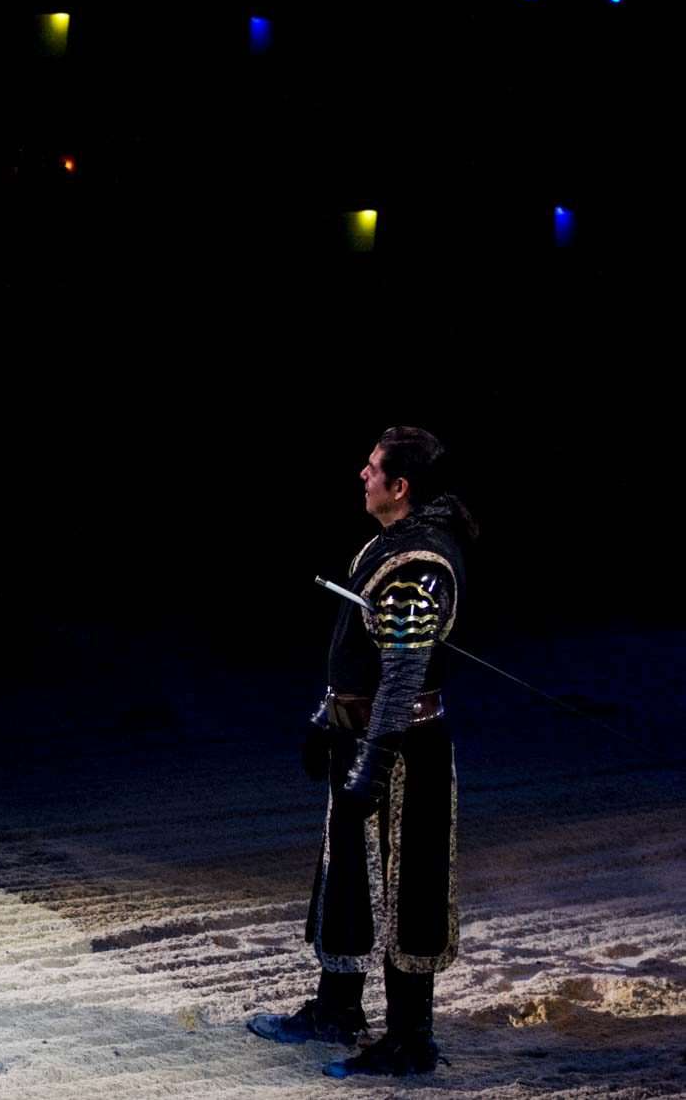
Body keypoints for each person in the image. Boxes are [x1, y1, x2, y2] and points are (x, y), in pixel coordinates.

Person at [247, 426, 478, 1078]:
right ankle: (337, 1009)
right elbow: (360, 656)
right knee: (346, 873)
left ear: (400, 487)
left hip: (403, 751)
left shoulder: (421, 560)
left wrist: (373, 766)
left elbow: (404, 676)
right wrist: (327, 719)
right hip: (363, 737)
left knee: (410, 888)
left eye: (374, 468)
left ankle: (410, 1040)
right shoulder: (391, 544)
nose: (362, 474)